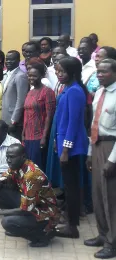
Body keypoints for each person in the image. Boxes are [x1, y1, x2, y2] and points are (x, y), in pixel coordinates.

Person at [0, 144, 60, 247]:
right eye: (7, 157)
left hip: (45, 213)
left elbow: (25, 209)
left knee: (7, 222)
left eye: (11, 157)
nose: (8, 160)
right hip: (33, 205)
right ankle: (20, 223)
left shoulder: (31, 175)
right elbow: (1, 179)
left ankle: (43, 236)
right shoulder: (18, 165)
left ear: (23, 157)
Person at [53, 57, 89, 239]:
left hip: (72, 147)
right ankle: (68, 218)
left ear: (73, 73)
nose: (59, 74)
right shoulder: (67, 89)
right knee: (67, 185)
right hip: (63, 143)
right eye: (57, 71)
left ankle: (72, 225)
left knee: (72, 187)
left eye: (62, 72)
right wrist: (55, 141)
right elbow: (61, 119)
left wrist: (66, 149)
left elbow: (74, 123)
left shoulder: (75, 91)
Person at [84, 58, 116, 259]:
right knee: (97, 194)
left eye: (104, 71)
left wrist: (113, 160)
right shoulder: (99, 94)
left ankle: (112, 244)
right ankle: (103, 235)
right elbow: (93, 125)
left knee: (110, 198)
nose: (100, 74)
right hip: (96, 145)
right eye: (98, 71)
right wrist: (89, 152)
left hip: (110, 147)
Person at [23, 63, 56, 171]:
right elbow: (26, 113)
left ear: (42, 76)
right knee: (29, 164)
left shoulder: (47, 92)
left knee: (38, 165)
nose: (31, 78)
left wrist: (44, 137)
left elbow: (49, 116)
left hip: (39, 134)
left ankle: (41, 187)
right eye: (29, 75)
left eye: (34, 76)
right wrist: (23, 132)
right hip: (28, 133)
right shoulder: (30, 92)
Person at [1, 50, 29, 141]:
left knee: (14, 145)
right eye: (7, 59)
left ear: (18, 60)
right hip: (4, 117)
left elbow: (21, 100)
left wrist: (14, 120)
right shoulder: (6, 74)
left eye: (11, 60)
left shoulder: (20, 76)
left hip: (13, 119)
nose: (8, 62)